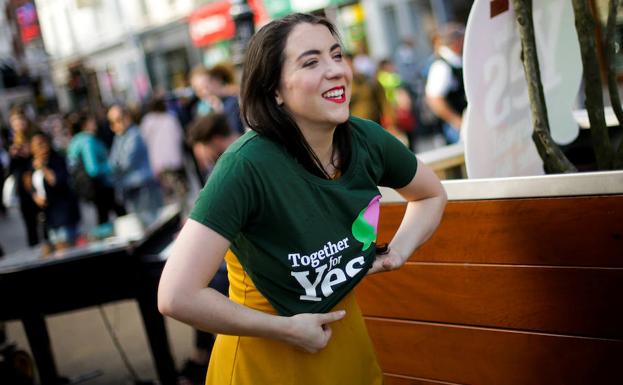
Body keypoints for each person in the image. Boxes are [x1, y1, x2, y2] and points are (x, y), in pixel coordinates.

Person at [158, 13, 446, 385]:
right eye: (311, 62)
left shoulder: (365, 139)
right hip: (265, 358)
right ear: (274, 90)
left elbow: (430, 194)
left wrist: (399, 252)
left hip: (347, 347)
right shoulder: (245, 167)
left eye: (337, 55)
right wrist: (286, 329)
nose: (336, 70)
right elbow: (176, 294)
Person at [176, 113, 237, 385]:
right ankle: (202, 354)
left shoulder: (227, 166)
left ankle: (203, 356)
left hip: (239, 261)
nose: (198, 157)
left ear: (212, 141)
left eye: (198, 149)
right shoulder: (238, 156)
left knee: (194, 288)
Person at [66, 112, 126, 225]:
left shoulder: (76, 141)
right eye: (91, 121)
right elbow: (93, 169)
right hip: (101, 186)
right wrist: (112, 166)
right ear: (85, 125)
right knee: (118, 214)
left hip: (92, 187)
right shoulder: (88, 141)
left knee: (104, 216)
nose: (95, 123)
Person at [28, 132, 81, 251]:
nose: (43, 148)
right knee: (56, 250)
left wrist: (43, 168)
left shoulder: (57, 160)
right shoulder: (32, 166)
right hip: (49, 217)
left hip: (64, 214)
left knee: (67, 249)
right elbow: (31, 185)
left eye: (44, 144)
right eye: (38, 145)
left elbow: (57, 181)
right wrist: (35, 196)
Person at [107, 105, 162, 217]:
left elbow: (125, 162)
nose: (117, 125)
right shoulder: (119, 138)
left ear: (127, 117)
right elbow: (112, 162)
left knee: (151, 220)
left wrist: (114, 165)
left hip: (143, 185)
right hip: (130, 187)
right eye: (113, 122)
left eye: (120, 119)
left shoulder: (134, 134)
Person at [140, 97, 188, 205]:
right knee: (181, 189)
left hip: (158, 162)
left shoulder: (148, 121)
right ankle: (184, 210)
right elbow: (179, 136)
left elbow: (143, 139)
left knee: (167, 192)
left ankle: (175, 214)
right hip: (174, 159)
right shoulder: (170, 118)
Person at [425, 23, 466, 145]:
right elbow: (434, 100)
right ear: (456, 42)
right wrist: (457, 121)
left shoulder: (454, 61)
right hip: (456, 130)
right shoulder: (441, 66)